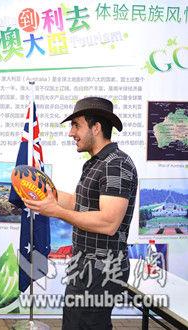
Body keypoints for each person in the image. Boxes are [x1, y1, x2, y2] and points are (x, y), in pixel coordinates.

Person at [22, 97, 138, 330]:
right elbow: (80, 203)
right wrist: (48, 194)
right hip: (85, 266)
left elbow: (108, 222)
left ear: (96, 128)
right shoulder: (95, 163)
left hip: (101, 267)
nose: (71, 132)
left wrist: (55, 211)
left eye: (76, 125)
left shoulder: (116, 164)